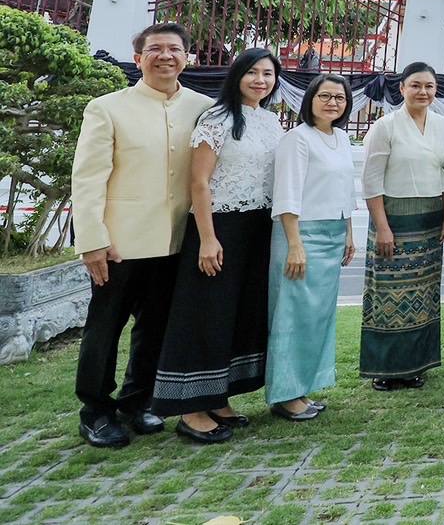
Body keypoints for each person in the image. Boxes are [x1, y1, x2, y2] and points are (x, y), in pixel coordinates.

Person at [71, 22, 213, 449]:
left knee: (156, 328)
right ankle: (95, 410)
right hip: (120, 243)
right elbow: (88, 178)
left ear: (188, 57)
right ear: (139, 59)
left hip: (176, 242)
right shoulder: (108, 108)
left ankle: (138, 402)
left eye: (174, 49)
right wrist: (92, 239)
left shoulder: (205, 108)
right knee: (104, 327)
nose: (165, 56)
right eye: (155, 49)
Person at [151, 48, 283, 443]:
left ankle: (219, 397)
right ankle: (191, 410)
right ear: (237, 75)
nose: (261, 80)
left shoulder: (272, 122)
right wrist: (208, 239)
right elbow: (199, 182)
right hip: (218, 226)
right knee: (206, 312)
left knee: (239, 313)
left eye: (268, 74)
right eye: (253, 73)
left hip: (258, 226)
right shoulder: (216, 118)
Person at [267, 74, 357, 422]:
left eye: (340, 97)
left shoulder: (343, 138)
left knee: (317, 318)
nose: (333, 102)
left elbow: (346, 190)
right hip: (300, 234)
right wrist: (295, 245)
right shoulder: (297, 139)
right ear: (310, 99)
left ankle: (302, 389)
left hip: (333, 233)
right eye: (325, 96)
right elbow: (287, 193)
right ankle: (285, 395)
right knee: (292, 316)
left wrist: (348, 232)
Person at [360, 61, 444, 391]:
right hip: (394, 219)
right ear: (402, 89)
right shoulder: (385, 126)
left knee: (423, 295)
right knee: (389, 294)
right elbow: (371, 181)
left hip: (429, 222)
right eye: (416, 85)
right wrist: (382, 227)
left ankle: (416, 365)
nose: (423, 92)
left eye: (429, 86)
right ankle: (385, 369)